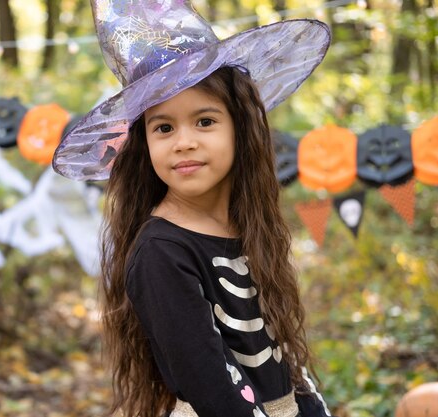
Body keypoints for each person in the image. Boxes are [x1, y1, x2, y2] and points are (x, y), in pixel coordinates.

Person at [52, 1, 332, 416]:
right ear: (143, 144)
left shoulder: (247, 226)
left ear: (241, 126)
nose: (184, 142)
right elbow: (213, 390)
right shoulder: (161, 254)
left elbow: (281, 354)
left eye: (205, 121)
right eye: (164, 127)